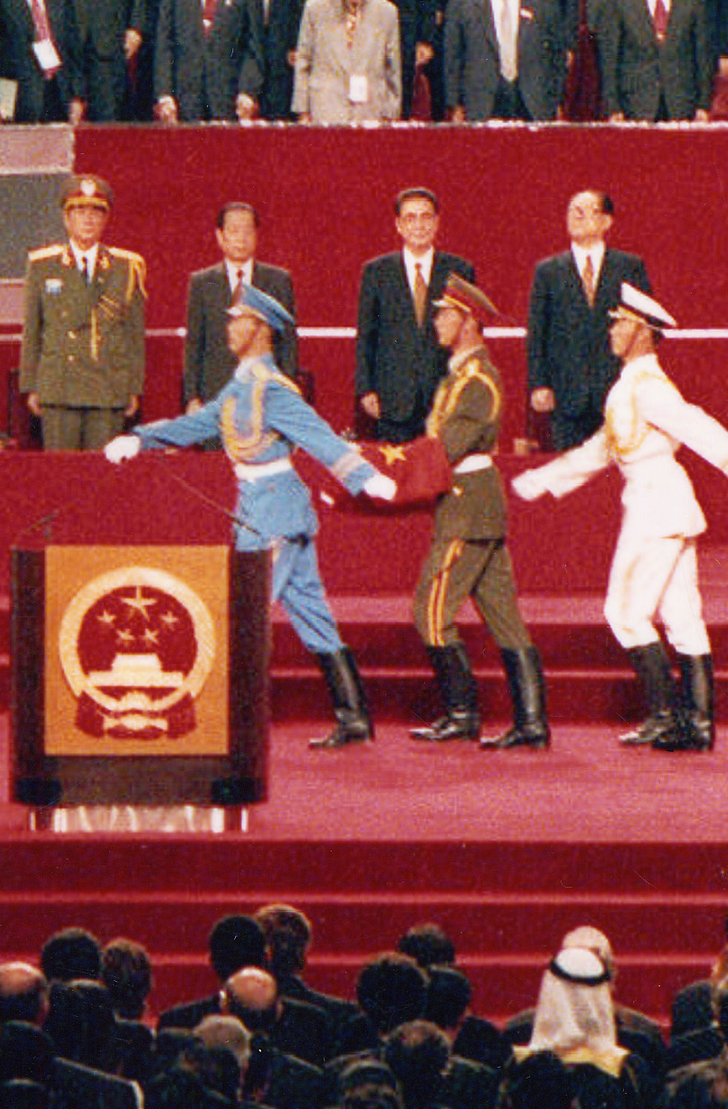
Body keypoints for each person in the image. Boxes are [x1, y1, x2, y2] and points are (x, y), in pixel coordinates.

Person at [104, 284, 399, 750]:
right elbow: (198, 425)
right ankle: (355, 717)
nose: (228, 327)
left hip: (274, 512)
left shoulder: (273, 388)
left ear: (259, 329)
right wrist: (140, 439)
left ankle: (232, 720)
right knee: (311, 613)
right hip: (258, 506)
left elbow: (318, 435)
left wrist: (365, 477)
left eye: (236, 320)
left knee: (244, 610)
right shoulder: (241, 382)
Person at [516, 285, 728, 752]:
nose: (612, 329)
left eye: (620, 322)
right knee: (681, 616)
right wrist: (546, 478)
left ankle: (664, 715)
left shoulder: (649, 389)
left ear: (641, 330)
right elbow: (603, 448)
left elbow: (698, 427)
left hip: (655, 505)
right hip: (660, 500)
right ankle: (697, 725)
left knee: (624, 612)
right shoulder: (630, 386)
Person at [408, 279, 549, 753]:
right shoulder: (458, 377)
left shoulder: (475, 381)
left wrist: (389, 465)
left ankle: (462, 713)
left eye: (445, 315)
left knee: (430, 612)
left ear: (469, 321)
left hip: (468, 508)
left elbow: (444, 447)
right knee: (506, 619)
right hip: (472, 505)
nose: (438, 323)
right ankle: (532, 724)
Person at [19, 176, 146, 451]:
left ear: (106, 219)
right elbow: (33, 329)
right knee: (62, 479)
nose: (88, 219)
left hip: (107, 386)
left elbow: (134, 334)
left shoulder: (125, 267)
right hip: (60, 385)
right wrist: (32, 383)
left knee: (103, 478)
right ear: (66, 218)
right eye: (80, 211)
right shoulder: (43, 265)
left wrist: (133, 386)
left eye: (96, 212)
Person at [526, 188, 652, 451]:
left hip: (618, 392)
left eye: (586, 212)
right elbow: (537, 333)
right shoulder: (548, 271)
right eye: (573, 211)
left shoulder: (629, 267)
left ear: (606, 222)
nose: (577, 218)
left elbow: (650, 328)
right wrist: (539, 384)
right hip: (566, 396)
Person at [356, 187, 476, 441]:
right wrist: (366, 389)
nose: (419, 225)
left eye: (426, 217)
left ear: (437, 222)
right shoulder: (376, 272)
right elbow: (367, 335)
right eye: (410, 218)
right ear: (399, 225)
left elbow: (469, 337)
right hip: (393, 400)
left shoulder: (459, 271)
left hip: (444, 398)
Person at [182, 200, 298, 410]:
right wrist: (192, 397)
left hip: (264, 398)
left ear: (256, 236)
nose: (241, 239)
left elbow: (288, 345)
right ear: (220, 236)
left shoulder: (278, 281)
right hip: (215, 397)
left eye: (248, 231)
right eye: (234, 231)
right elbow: (194, 344)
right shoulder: (202, 283)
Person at [597, 0, 716, 122]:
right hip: (635, 104)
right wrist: (612, 107)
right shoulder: (619, 0)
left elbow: (703, 54)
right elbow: (609, 58)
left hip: (681, 102)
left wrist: (703, 104)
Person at [443, 0, 564, 123]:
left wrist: (556, 100)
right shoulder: (462, 0)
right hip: (480, 103)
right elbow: (452, 57)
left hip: (533, 102)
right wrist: (455, 104)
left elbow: (557, 55)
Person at [293, 0, 403, 126]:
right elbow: (303, 62)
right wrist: (303, 111)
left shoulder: (387, 12)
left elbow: (393, 68)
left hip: (371, 112)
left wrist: (391, 113)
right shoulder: (315, 9)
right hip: (325, 111)